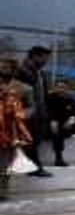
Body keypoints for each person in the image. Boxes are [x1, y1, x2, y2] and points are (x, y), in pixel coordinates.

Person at [15, 46, 52, 177]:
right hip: (26, 111)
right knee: (29, 139)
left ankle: (30, 165)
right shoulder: (22, 70)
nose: (46, 60)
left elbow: (43, 94)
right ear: (35, 56)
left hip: (39, 112)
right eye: (44, 57)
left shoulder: (40, 72)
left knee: (36, 139)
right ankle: (34, 167)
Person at [1, 62, 33, 202]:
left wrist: (20, 115)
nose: (2, 70)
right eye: (1, 67)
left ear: (13, 70)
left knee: (5, 162)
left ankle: (2, 191)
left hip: (10, 129)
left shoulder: (24, 88)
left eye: (6, 67)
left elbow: (32, 107)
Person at [46, 80, 75, 167]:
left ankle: (59, 158)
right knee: (56, 130)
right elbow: (47, 111)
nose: (61, 89)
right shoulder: (50, 98)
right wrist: (51, 120)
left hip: (66, 126)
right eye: (59, 87)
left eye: (63, 87)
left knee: (62, 129)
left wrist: (72, 119)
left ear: (67, 89)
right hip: (52, 125)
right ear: (55, 88)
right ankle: (59, 157)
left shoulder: (71, 99)